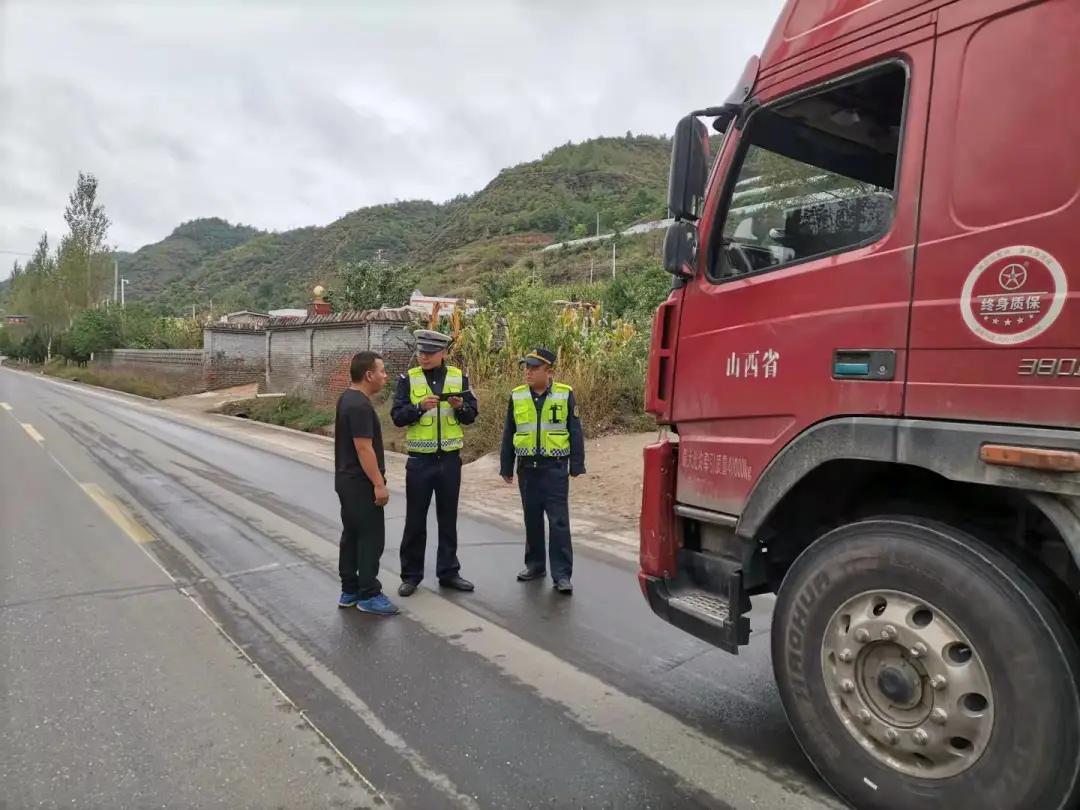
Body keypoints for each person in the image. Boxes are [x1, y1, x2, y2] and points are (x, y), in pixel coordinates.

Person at [391, 329, 479, 596]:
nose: (424, 357)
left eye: (429, 353)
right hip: (420, 462)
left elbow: (472, 414)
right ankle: (411, 575)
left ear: (442, 354)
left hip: (450, 461)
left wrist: (460, 406)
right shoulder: (408, 379)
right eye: (420, 352)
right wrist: (418, 409)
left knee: (448, 519)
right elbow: (397, 416)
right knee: (415, 520)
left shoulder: (458, 377)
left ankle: (449, 572)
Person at [499, 347, 585, 594]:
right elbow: (509, 433)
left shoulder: (564, 394)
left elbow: (575, 431)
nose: (528, 372)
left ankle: (562, 575)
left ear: (549, 371)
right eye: (526, 367)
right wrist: (506, 465)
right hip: (527, 469)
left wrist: (577, 464)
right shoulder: (517, 396)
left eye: (534, 368)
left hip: (554, 468)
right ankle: (535, 565)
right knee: (532, 519)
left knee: (558, 522)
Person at [335, 351, 398, 615]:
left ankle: (349, 590)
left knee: (352, 535)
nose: (385, 376)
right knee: (371, 538)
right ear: (369, 375)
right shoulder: (359, 406)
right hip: (361, 483)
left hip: (346, 481)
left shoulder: (347, 399)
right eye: (382, 371)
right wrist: (378, 483)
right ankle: (368, 593)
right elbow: (363, 448)